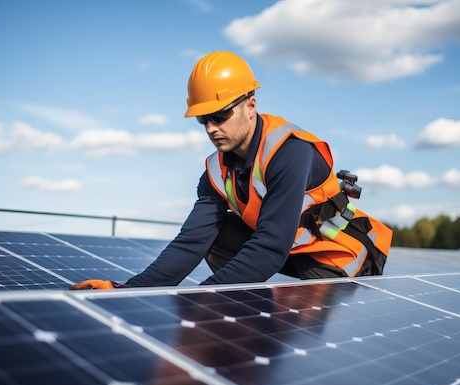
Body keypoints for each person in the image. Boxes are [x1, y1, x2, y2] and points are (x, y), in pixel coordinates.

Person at [70, 51, 392, 290]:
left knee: (301, 345)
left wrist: (204, 298)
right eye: (202, 119)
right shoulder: (215, 172)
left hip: (341, 259)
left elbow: (270, 247)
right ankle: (244, 315)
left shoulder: (289, 152)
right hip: (295, 257)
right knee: (217, 233)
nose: (210, 128)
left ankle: (253, 316)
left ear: (251, 105)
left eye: (220, 115)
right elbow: (191, 242)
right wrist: (127, 292)